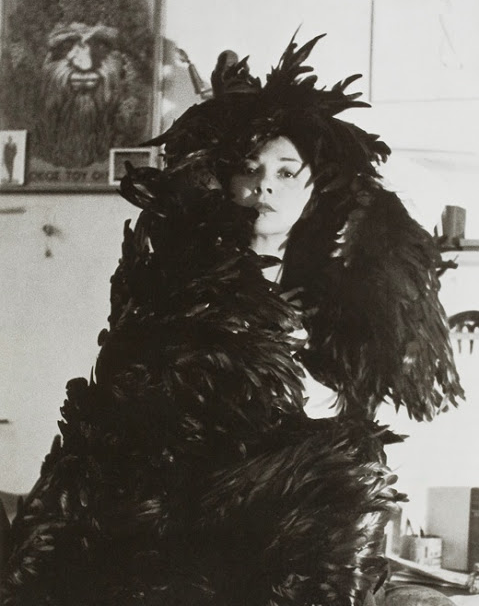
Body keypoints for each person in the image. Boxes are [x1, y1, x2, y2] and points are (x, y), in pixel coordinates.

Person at [0, 34, 463, 606]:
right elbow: (122, 418)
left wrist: (316, 400)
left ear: (317, 189)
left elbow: (357, 428)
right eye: (250, 167)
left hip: (290, 540)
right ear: (228, 179)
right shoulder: (172, 281)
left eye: (287, 172)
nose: (265, 183)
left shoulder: (341, 303)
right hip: (173, 527)